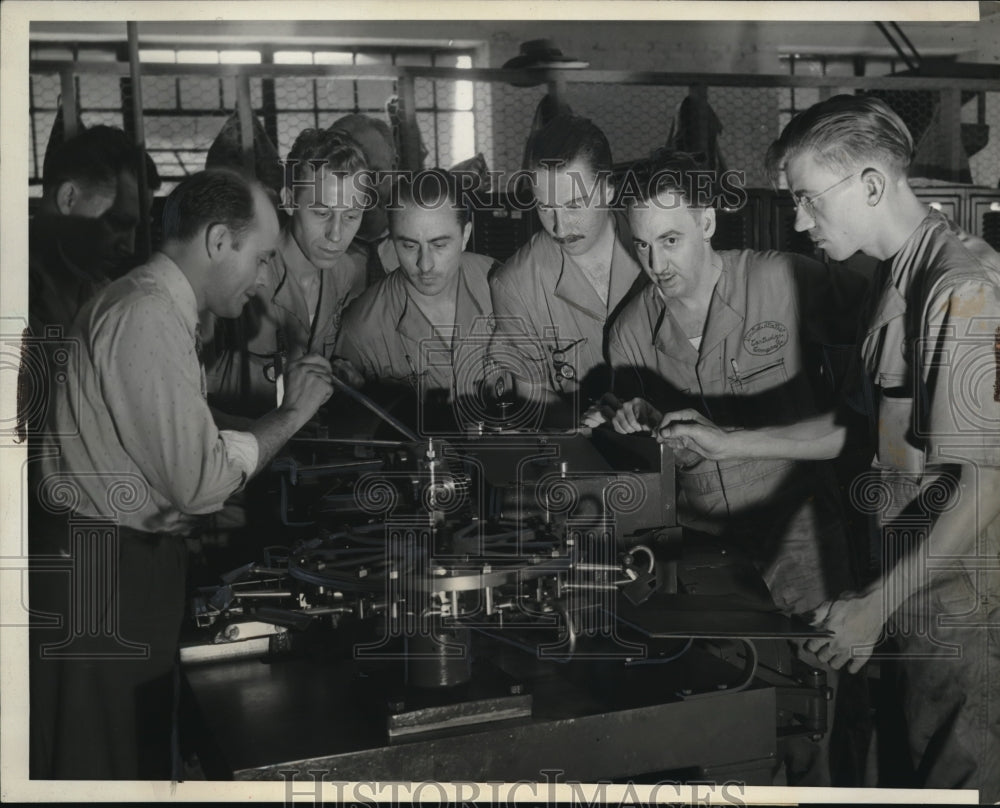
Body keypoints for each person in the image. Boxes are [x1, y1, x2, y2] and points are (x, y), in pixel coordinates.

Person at [656, 96, 1000, 800]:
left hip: (968, 603)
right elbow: (867, 431)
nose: (799, 219)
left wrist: (874, 605)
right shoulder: (897, 276)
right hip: (916, 584)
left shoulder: (963, 291)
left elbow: (984, 486)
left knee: (963, 778)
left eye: (809, 199)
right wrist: (731, 443)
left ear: (871, 185)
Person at [29, 169, 335, 780]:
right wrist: (292, 414)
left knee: (132, 753)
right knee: (105, 766)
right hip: (106, 576)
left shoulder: (150, 303)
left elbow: (171, 419)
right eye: (262, 257)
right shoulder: (145, 313)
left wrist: (256, 426)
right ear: (219, 241)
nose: (263, 278)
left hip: (121, 564)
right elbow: (199, 484)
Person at [600, 151, 867, 785]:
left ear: (708, 221)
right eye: (640, 246)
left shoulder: (783, 280)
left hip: (800, 531)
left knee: (820, 706)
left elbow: (888, 316)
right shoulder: (630, 331)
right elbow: (642, 462)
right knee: (731, 714)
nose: (656, 264)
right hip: (706, 552)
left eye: (671, 240)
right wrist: (626, 424)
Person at [488, 114, 644, 423]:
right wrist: (582, 422)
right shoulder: (516, 284)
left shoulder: (655, 251)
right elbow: (531, 392)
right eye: (545, 207)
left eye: (574, 205)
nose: (560, 226)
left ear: (608, 190)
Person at [204, 128, 370, 417]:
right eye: (321, 213)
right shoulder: (237, 276)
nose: (336, 235)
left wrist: (346, 374)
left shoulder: (350, 271)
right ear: (290, 199)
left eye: (351, 216)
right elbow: (186, 402)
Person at [335, 170, 497, 424]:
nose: (425, 264)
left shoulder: (502, 287)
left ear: (465, 236)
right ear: (392, 239)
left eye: (439, 245)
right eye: (409, 246)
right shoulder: (360, 331)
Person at [331, 113, 402, 283]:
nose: (364, 191)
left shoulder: (422, 245)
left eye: (375, 175)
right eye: (348, 176)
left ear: (394, 168)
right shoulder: (314, 256)